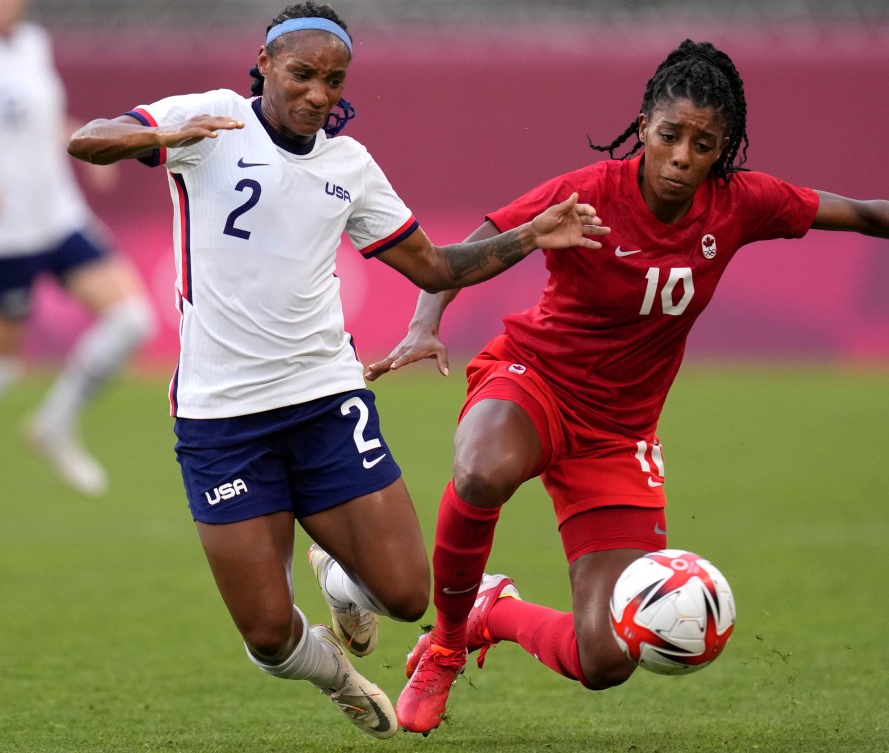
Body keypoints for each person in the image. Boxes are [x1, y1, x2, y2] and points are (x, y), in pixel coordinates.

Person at [366, 38, 889, 734]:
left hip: (618, 433)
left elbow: (856, 210)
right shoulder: (587, 191)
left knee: (607, 656)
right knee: (482, 469)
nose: (681, 156)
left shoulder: (739, 204)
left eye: (702, 144)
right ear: (642, 126)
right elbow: (478, 238)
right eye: (669, 135)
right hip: (535, 380)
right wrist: (424, 321)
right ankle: (445, 644)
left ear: (722, 149)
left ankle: (495, 610)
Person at [65, 2, 608, 740]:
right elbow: (86, 140)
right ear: (263, 63)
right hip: (219, 419)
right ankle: (333, 674)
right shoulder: (213, 119)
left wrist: (530, 236)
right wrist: (158, 135)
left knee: (409, 595)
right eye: (301, 75)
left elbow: (436, 265)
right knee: (266, 634)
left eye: (333, 79)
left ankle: (340, 578)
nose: (318, 93)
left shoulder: (348, 166)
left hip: (324, 399)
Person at [0, 0, 155, 540]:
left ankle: (54, 423)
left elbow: (41, 120)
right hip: (1, 230)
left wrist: (81, 144)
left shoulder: (32, 42)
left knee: (131, 320)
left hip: (58, 216)